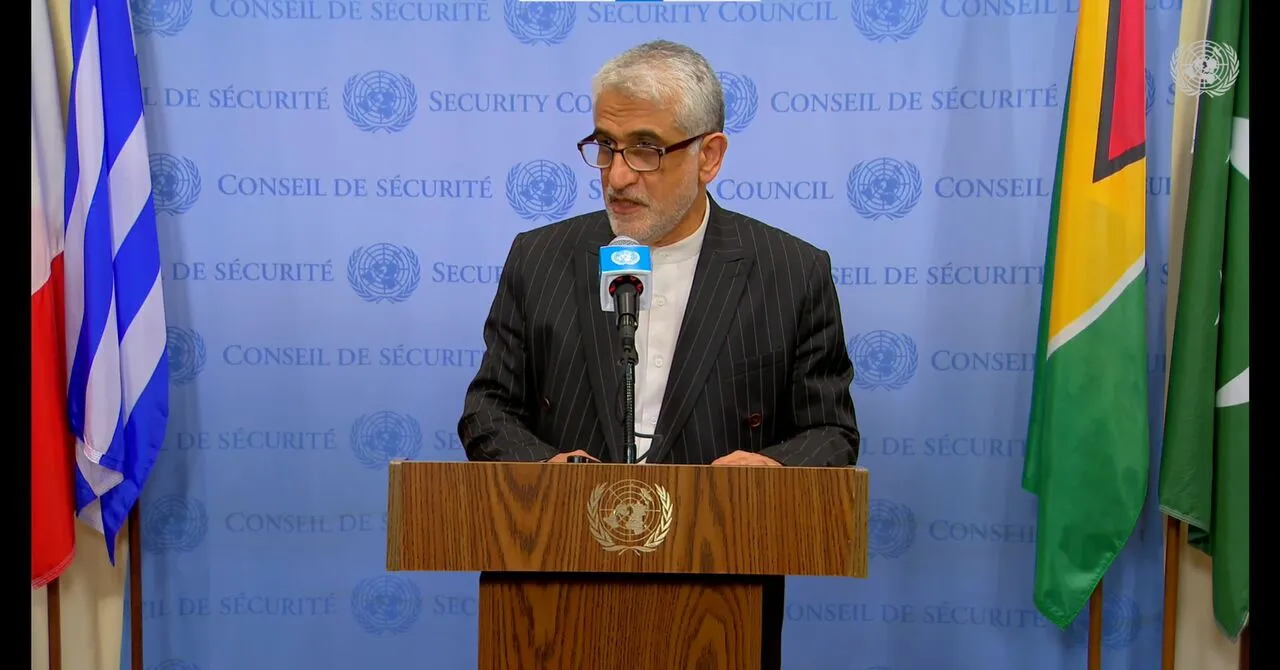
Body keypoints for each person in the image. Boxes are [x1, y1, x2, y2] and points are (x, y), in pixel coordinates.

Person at [459, 40, 859, 467]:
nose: (617, 177)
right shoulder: (538, 259)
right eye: (606, 146)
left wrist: (771, 471)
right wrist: (545, 472)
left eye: (644, 150)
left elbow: (830, 432)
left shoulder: (793, 273)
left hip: (720, 510)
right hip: (572, 509)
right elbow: (488, 411)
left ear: (708, 157)